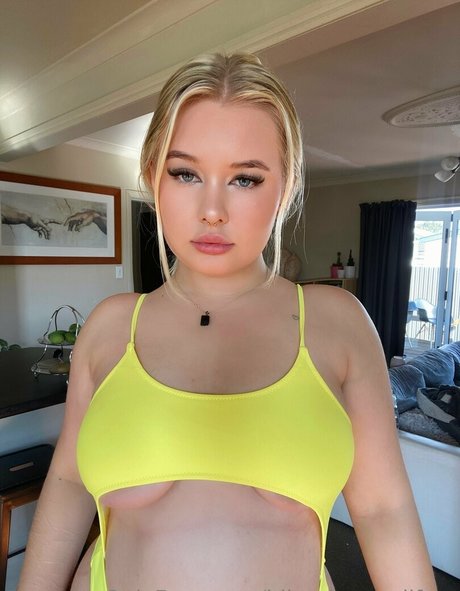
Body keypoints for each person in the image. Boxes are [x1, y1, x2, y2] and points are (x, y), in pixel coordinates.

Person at [18, 52, 437, 591]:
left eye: (244, 179)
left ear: (285, 188)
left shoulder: (337, 324)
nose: (212, 209)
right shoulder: (108, 328)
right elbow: (69, 481)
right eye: (185, 173)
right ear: (152, 176)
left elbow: (384, 509)